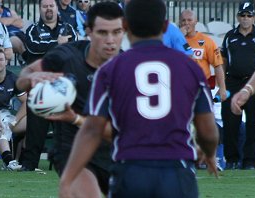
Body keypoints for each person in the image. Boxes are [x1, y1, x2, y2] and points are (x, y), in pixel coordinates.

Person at [59, 0, 219, 197]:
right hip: (177, 170)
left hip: (130, 170)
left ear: (125, 26)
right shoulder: (190, 68)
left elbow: (92, 129)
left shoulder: (110, 70)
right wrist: (209, 152)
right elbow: (208, 131)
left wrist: (67, 178)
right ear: (166, 26)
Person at [17, 2, 124, 197]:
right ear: (89, 32)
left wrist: (74, 118)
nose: (111, 40)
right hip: (72, 150)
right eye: (102, 33)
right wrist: (30, 78)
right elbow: (24, 77)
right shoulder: (67, 55)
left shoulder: (127, 70)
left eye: (117, 32)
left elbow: (119, 132)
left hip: (113, 152)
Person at [18, 0, 77, 171]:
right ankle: (29, 166)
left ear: (57, 8)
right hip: (38, 88)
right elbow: (33, 48)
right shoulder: (32, 30)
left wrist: (57, 48)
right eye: (45, 6)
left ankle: (67, 167)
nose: (48, 8)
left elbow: (72, 51)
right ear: (40, 9)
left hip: (61, 87)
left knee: (65, 131)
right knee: (35, 132)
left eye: (51, 5)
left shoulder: (68, 29)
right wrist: (57, 44)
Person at [221, 1, 255, 170]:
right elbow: (224, 62)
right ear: (238, 17)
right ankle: (232, 159)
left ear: (254, 17)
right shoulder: (230, 36)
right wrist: (222, 85)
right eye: (242, 15)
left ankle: (250, 161)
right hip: (233, 81)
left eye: (249, 15)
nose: (245, 18)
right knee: (229, 121)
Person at [179, 9, 227, 99]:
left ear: (196, 21)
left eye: (189, 20)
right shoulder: (174, 40)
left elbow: (217, 65)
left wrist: (222, 88)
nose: (186, 23)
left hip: (201, 87)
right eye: (183, 20)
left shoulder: (207, 41)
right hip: (180, 87)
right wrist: (179, 37)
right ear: (179, 22)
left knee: (204, 113)